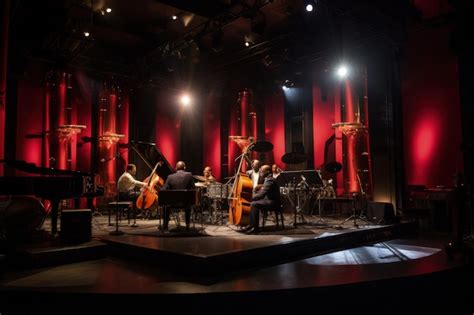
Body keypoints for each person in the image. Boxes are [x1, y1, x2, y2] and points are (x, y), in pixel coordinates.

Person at [243, 164, 281, 233]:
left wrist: (250, 198)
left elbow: (262, 194)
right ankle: (252, 225)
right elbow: (263, 191)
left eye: (262, 171)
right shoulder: (268, 179)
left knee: (254, 204)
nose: (260, 173)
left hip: (273, 202)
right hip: (269, 200)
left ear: (268, 172)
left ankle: (255, 228)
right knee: (253, 203)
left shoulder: (270, 180)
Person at [162, 161, 194, 231]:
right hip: (186, 203)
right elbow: (193, 188)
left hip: (172, 203)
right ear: (184, 168)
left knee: (166, 205)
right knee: (188, 204)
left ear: (176, 168)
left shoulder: (170, 177)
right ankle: (187, 225)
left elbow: (164, 189)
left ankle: (165, 225)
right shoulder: (189, 175)